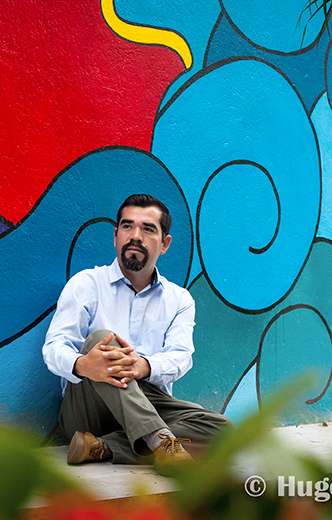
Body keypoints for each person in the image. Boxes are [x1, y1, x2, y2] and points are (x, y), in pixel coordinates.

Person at [42, 194, 231, 465]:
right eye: (127, 226)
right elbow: (54, 347)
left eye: (148, 229)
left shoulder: (179, 300)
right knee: (102, 341)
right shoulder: (86, 284)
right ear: (115, 235)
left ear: (165, 244)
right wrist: (84, 365)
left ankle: (102, 447)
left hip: (149, 401)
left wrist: (143, 366)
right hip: (89, 408)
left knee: (223, 429)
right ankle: (162, 443)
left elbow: (181, 356)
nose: (135, 236)